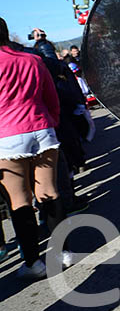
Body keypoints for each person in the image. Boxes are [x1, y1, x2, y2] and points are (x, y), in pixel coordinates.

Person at [0, 17, 73, 280]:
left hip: (6, 137)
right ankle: (62, 252)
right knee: (50, 192)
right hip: (42, 129)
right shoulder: (32, 60)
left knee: (19, 201)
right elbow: (50, 96)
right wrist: (51, 121)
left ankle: (33, 262)